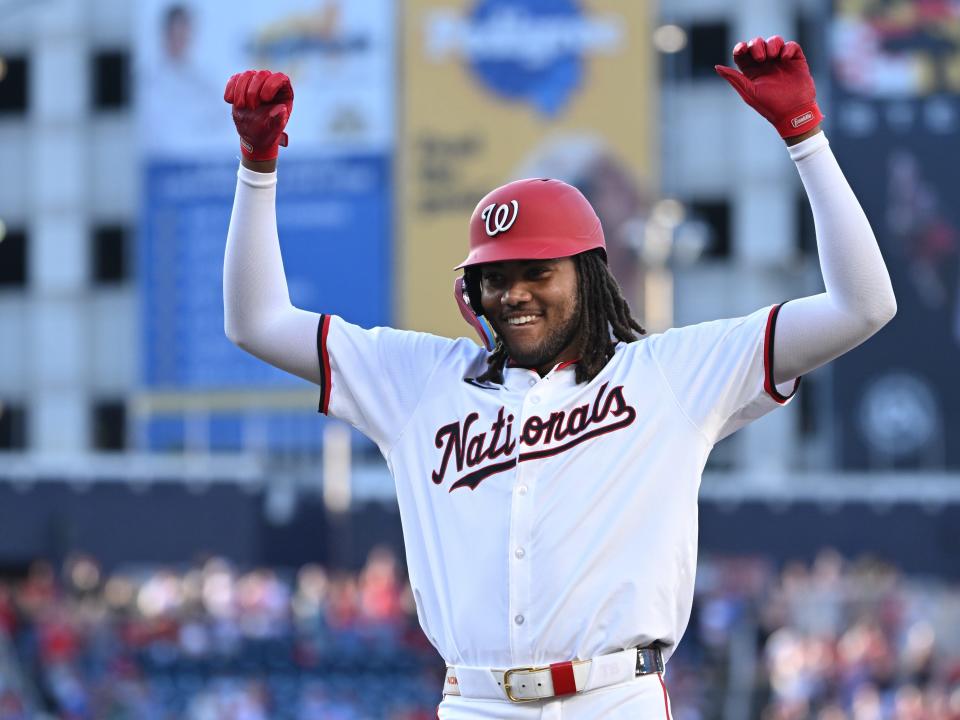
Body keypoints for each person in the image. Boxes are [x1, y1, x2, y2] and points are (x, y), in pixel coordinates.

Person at [222, 36, 896, 719]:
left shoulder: (669, 374)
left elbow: (862, 306)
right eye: (496, 277)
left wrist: (806, 138)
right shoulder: (421, 381)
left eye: (537, 272)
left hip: (614, 697)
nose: (513, 294)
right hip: (475, 700)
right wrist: (256, 171)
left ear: (591, 276)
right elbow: (257, 322)